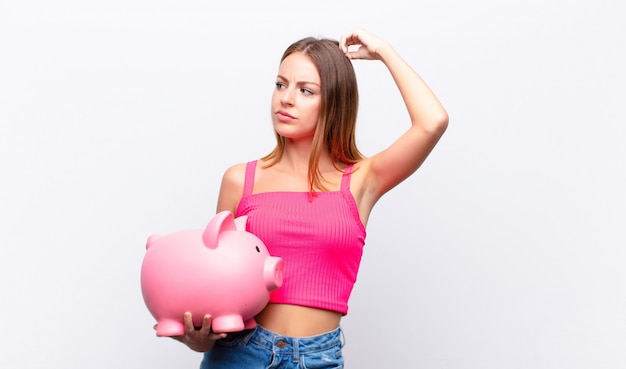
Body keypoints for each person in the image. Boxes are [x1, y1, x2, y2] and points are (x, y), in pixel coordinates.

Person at [168, 28, 448, 368]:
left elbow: (432, 122)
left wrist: (385, 51)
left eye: (306, 90)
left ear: (334, 102)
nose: (286, 99)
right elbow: (217, 284)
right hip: (240, 354)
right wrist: (200, 337)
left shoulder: (361, 180)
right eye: (280, 84)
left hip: (319, 357)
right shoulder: (240, 180)